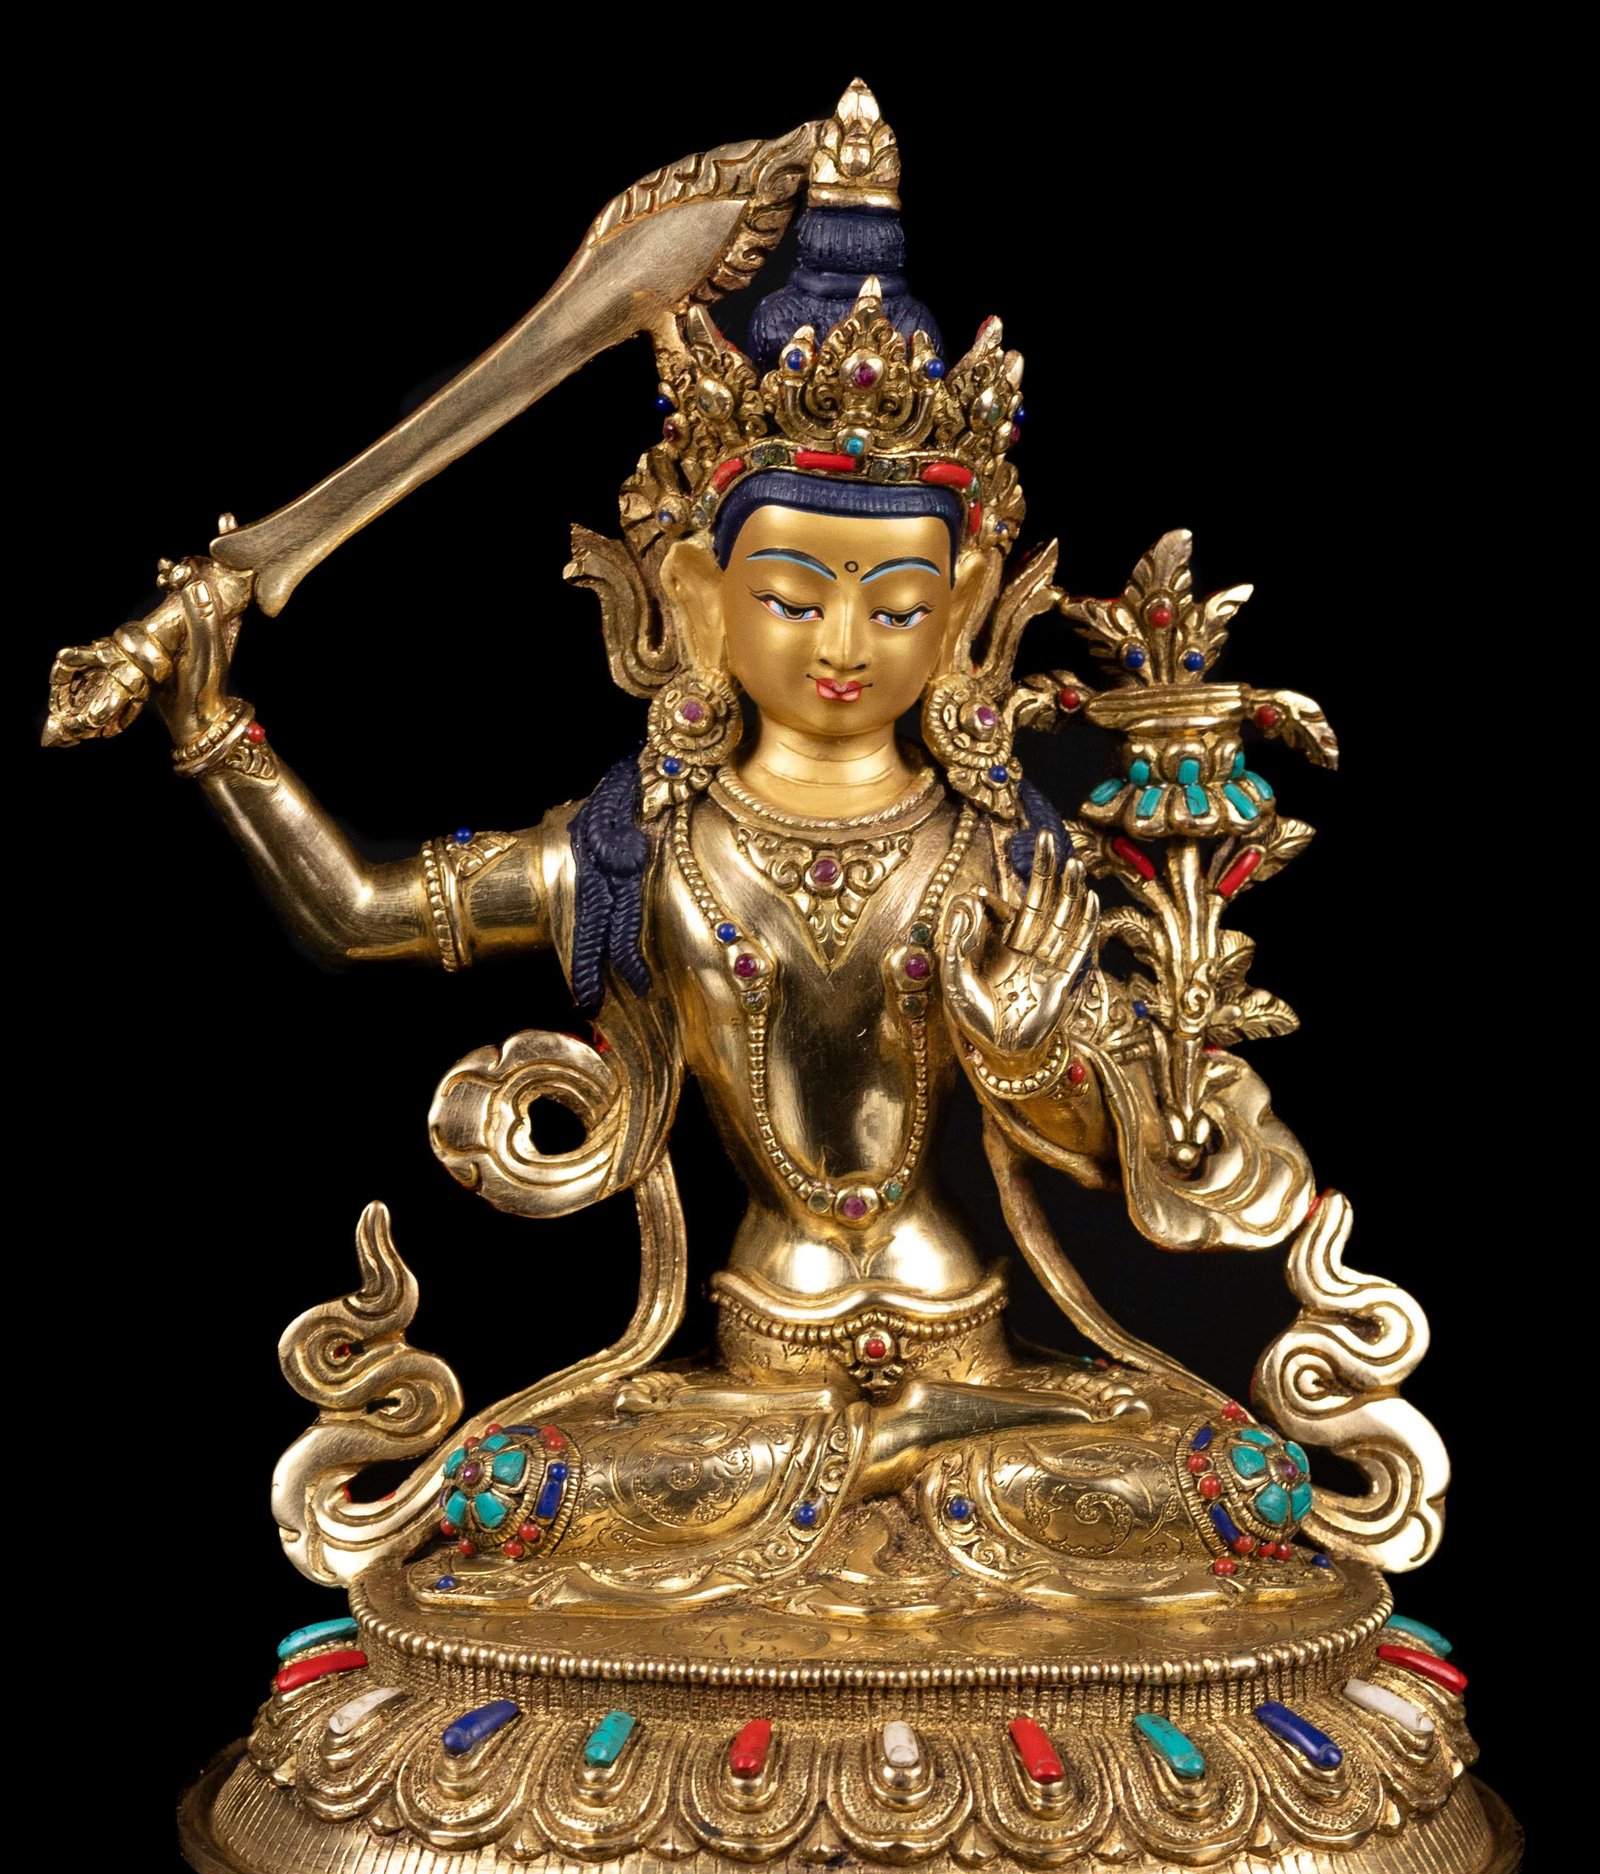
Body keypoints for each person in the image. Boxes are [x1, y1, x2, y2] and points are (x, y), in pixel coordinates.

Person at [128, 85, 1322, 1617]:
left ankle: (896, 1473)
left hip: (975, 1365)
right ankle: (863, 1482)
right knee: (520, 1490)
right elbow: (362, 909)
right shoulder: (647, 846)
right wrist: (216, 734)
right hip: (749, 1380)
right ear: (698, 596)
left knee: (1231, 1484)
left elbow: (1139, 1160)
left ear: (962, 610)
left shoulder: (997, 848)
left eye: (899, 605)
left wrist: (1033, 1058)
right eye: (794, 595)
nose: (845, 642)